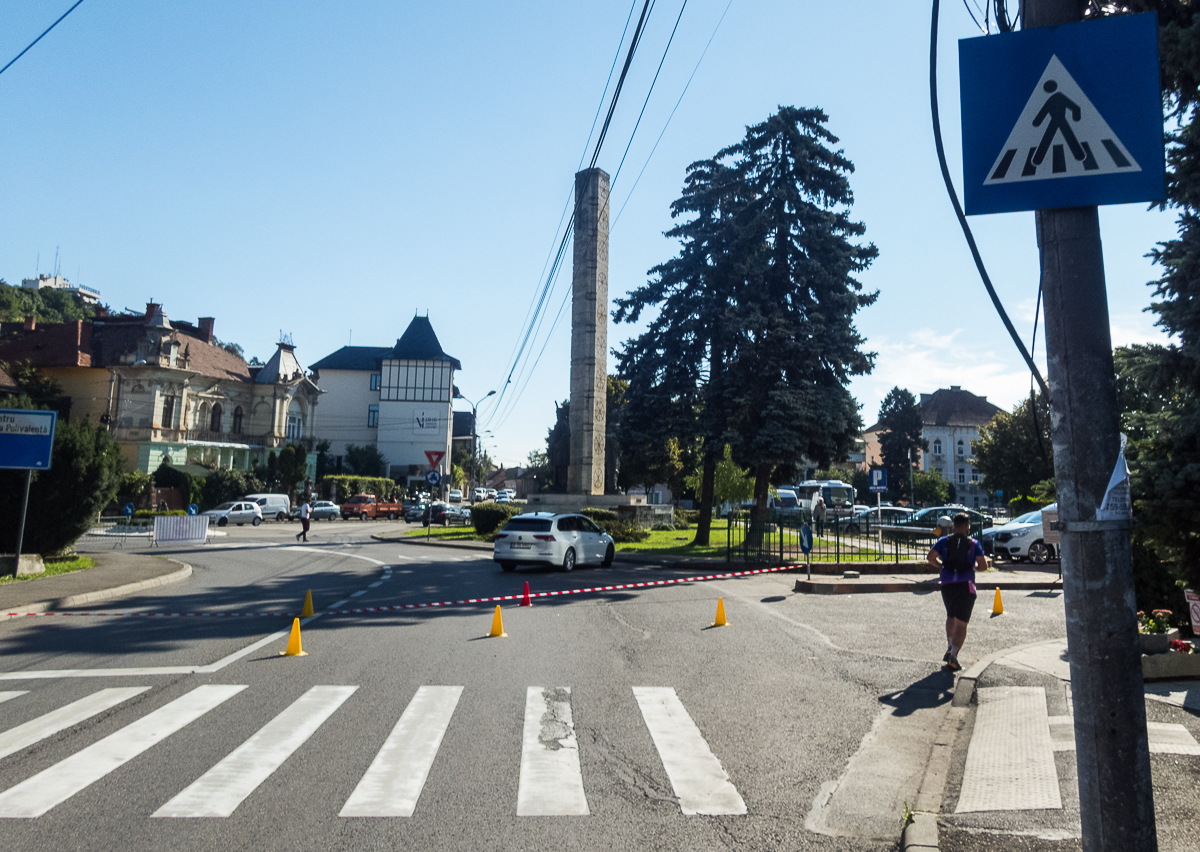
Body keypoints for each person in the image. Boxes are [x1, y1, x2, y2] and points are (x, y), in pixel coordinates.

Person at [927, 512, 988, 672]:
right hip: (966, 585)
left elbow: (930, 557)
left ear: (953, 525)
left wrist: (941, 566)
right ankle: (954, 655)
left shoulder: (943, 541)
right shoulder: (974, 544)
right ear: (968, 527)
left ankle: (949, 646)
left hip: (947, 584)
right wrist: (972, 567)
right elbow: (983, 566)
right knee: (962, 621)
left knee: (951, 615)